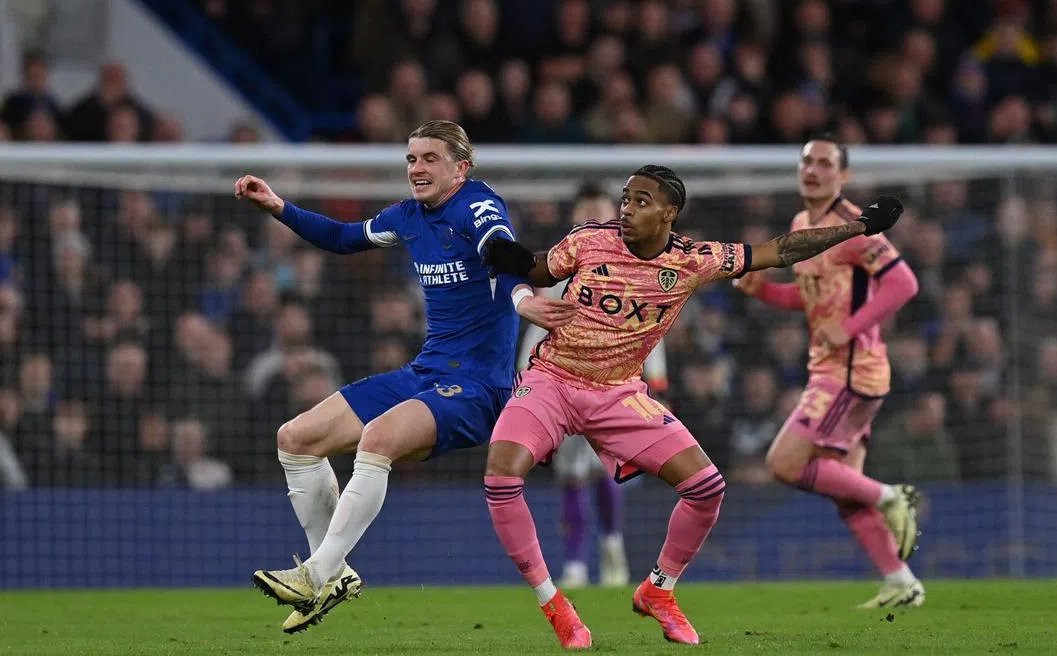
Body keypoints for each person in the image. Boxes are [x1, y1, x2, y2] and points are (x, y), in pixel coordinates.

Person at [482, 164, 904, 647]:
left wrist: (860, 227)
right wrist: (502, 262)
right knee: (500, 474)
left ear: (669, 213)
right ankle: (556, 605)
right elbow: (533, 268)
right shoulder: (587, 240)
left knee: (707, 488)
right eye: (625, 198)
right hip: (552, 378)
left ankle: (659, 590)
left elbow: (781, 251)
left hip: (619, 392)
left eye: (642, 201)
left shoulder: (694, 259)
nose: (627, 208)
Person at [236, 121, 575, 633]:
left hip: (479, 386)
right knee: (296, 439)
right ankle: (335, 573)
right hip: (426, 372)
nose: (416, 168)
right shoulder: (407, 217)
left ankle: (316, 574)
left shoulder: (478, 205)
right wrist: (279, 207)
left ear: (461, 166)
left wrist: (524, 297)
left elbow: (504, 254)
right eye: (411, 158)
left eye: (429, 158)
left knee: (377, 440)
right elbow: (342, 238)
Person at [735, 136, 924, 609]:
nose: (813, 170)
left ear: (844, 175)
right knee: (843, 491)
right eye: (806, 161)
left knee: (784, 463)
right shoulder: (802, 224)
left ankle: (892, 494)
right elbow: (809, 299)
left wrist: (851, 329)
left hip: (851, 370)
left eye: (825, 163)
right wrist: (763, 291)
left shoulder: (854, 225)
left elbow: (904, 283)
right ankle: (901, 582)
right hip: (835, 366)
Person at [516, 183, 665, 589]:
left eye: (600, 214)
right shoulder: (560, 270)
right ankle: (577, 564)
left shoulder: (636, 267)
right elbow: (538, 327)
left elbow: (650, 327)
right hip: (560, 386)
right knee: (571, 476)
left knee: (607, 470)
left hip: (615, 387)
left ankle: (612, 549)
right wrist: (523, 381)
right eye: (585, 216)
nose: (592, 223)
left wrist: (656, 378)